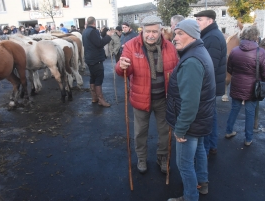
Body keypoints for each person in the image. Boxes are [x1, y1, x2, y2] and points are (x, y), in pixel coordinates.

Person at [115, 15, 178, 174]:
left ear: (161, 31)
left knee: (165, 132)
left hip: (164, 99)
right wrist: (121, 66)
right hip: (140, 99)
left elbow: (178, 72)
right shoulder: (131, 45)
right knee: (140, 132)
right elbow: (122, 70)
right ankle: (141, 158)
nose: (151, 35)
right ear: (142, 31)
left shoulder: (170, 47)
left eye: (155, 31)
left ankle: (162, 157)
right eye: (148, 31)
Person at [166, 19, 215, 201]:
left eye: (180, 34)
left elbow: (190, 102)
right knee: (200, 149)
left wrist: (180, 128)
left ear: (192, 35)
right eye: (175, 33)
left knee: (184, 163)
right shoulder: (199, 51)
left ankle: (190, 196)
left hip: (191, 122)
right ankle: (202, 184)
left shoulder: (192, 60)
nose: (175, 38)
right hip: (201, 118)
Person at [225, 25, 265, 146]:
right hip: (253, 88)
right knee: (250, 112)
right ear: (256, 36)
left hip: (236, 84)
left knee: (234, 109)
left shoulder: (234, 51)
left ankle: (228, 131)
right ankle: (248, 139)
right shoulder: (260, 52)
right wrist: (262, 80)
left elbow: (229, 68)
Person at [194, 10, 227, 157]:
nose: (197, 22)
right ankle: (212, 146)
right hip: (212, 84)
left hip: (208, 85)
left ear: (210, 21)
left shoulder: (212, 37)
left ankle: (206, 150)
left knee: (207, 118)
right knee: (211, 115)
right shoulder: (210, 34)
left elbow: (209, 66)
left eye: (200, 19)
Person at [82, 16, 112, 107]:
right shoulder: (93, 31)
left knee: (93, 77)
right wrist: (108, 36)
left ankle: (94, 97)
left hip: (89, 58)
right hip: (96, 59)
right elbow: (99, 44)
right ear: (94, 23)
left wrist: (104, 35)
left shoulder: (85, 31)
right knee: (99, 78)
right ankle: (101, 100)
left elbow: (94, 41)